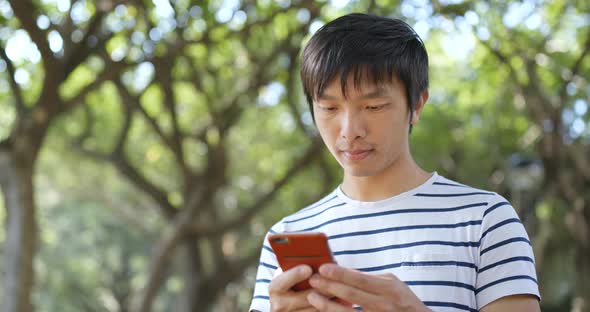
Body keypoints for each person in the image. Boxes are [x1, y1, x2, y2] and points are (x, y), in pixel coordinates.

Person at [249, 13, 541, 312]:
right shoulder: (287, 235)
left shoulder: (485, 221)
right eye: (329, 107)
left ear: (416, 105)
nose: (350, 131)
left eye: (373, 106)